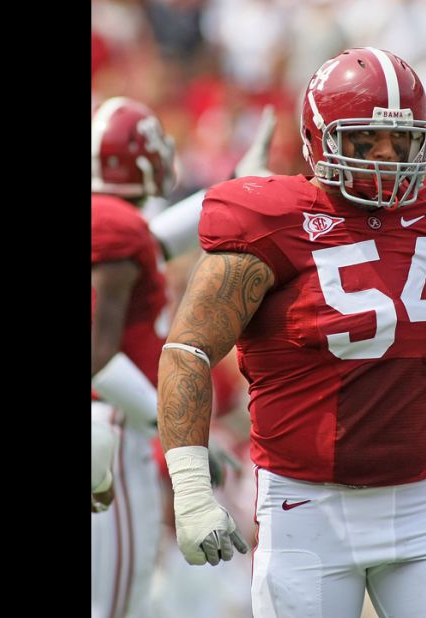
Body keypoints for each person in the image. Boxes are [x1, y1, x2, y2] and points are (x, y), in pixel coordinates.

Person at [156, 47, 426, 618]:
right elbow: (187, 352)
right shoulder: (269, 222)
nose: (385, 156)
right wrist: (192, 491)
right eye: (364, 140)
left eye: (401, 142)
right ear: (319, 139)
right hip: (306, 505)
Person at [91, 96, 275, 618]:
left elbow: (156, 242)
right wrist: (178, 434)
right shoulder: (116, 229)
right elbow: (98, 357)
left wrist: (236, 180)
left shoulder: (118, 226)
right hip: (114, 429)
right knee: (113, 604)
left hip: (113, 424)